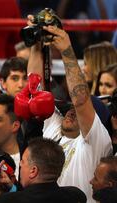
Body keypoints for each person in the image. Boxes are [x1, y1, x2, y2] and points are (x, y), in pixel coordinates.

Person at [34, 24, 113, 203]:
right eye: (70, 109)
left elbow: (81, 101)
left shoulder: (96, 143)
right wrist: (36, 44)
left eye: (77, 113)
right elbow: (35, 87)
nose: (71, 112)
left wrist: (67, 51)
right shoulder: (54, 130)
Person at [0, 138, 87, 203]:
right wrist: (13, 190)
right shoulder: (76, 196)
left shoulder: (1, 202)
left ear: (33, 171)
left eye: (23, 162)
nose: (20, 164)